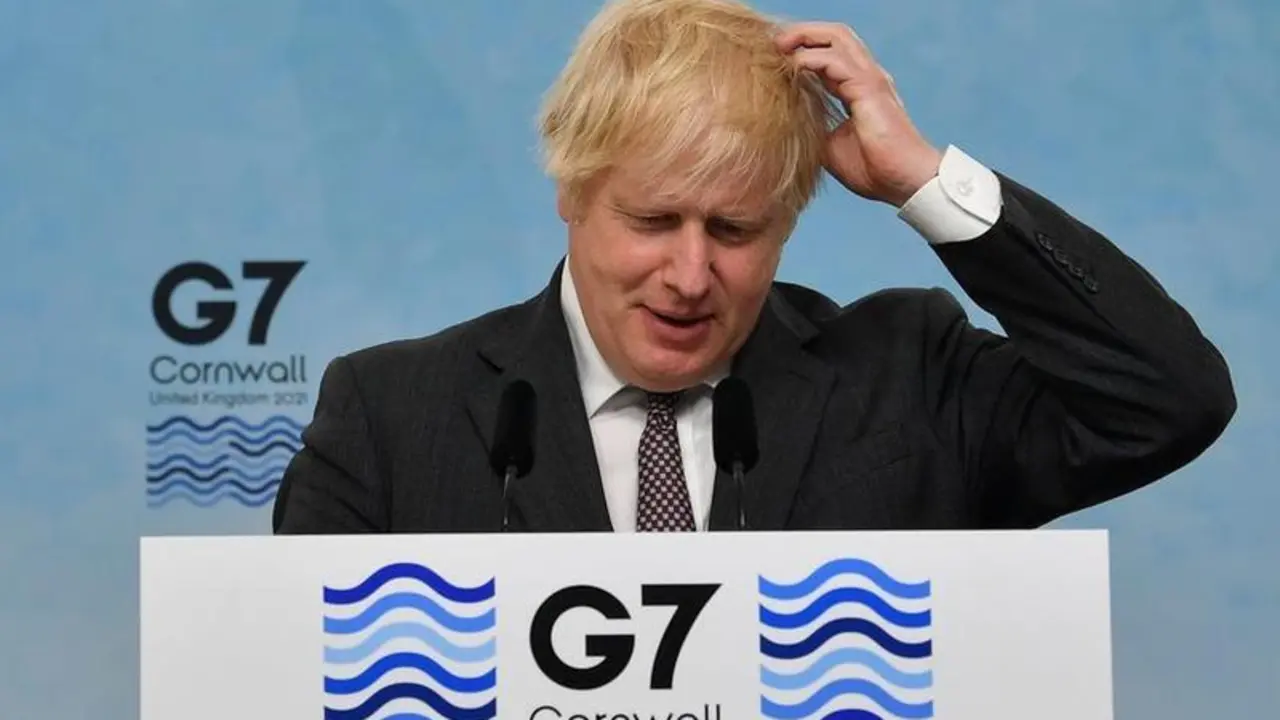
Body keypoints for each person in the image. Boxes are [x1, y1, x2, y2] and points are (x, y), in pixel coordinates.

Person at [271, 0, 1235, 534]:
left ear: (789, 220)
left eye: (735, 230)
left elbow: (1166, 400)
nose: (691, 276)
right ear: (570, 189)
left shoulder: (907, 379)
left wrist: (921, 181)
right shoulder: (391, 416)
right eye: (653, 220)